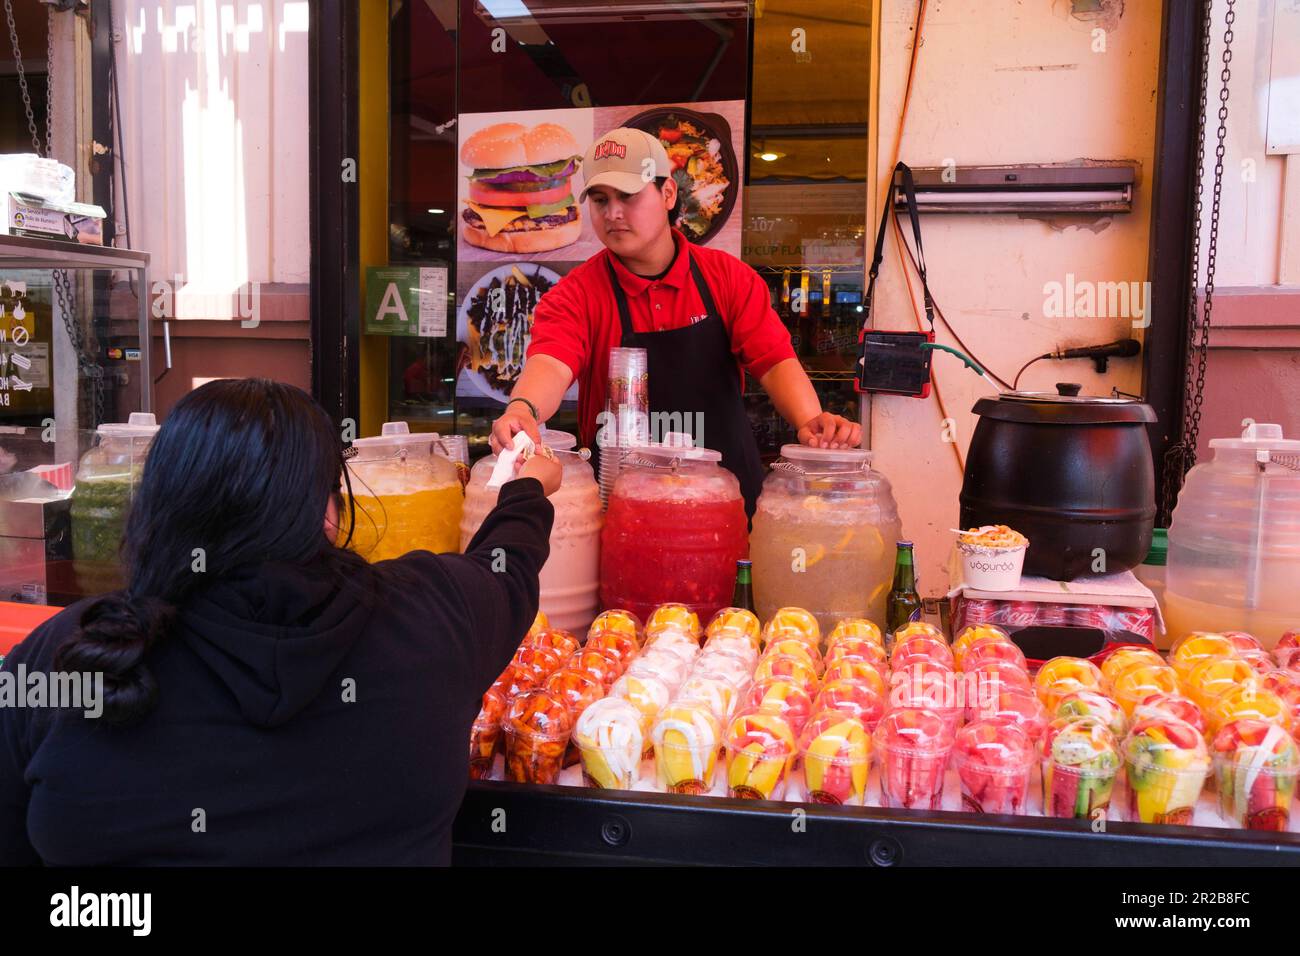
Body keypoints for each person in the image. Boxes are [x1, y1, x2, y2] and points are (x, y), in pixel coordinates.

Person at [0, 378, 561, 865]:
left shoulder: (70, 651)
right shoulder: (433, 615)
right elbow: (508, 566)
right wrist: (525, 487)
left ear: (157, 506)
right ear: (326, 511)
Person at [491, 126, 862, 515]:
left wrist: (811, 420)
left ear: (668, 194)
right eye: (600, 200)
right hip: (621, 511)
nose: (612, 213)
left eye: (628, 196)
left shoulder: (728, 278)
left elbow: (774, 360)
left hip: (725, 503)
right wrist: (522, 410)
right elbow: (551, 361)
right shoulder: (575, 294)